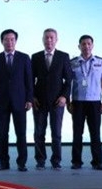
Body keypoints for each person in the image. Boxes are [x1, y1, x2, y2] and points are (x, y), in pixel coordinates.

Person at [0, 29, 33, 172]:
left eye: (12, 39)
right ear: (2, 41)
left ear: (16, 41)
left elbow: (29, 81)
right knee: (2, 134)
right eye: (6, 39)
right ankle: (3, 162)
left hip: (20, 101)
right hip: (1, 102)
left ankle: (22, 163)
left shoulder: (24, 58)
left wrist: (29, 99)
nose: (9, 42)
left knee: (21, 134)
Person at [31, 28, 72, 171]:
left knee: (56, 133)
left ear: (56, 40)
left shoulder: (63, 56)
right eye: (46, 37)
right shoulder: (35, 57)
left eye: (51, 38)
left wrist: (64, 97)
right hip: (39, 101)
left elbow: (69, 80)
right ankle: (40, 160)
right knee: (39, 133)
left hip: (57, 101)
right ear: (43, 40)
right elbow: (30, 80)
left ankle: (56, 161)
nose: (49, 40)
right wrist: (32, 97)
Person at [68, 35, 102, 170]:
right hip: (78, 102)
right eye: (83, 44)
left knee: (95, 133)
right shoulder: (73, 63)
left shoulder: (100, 62)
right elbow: (68, 83)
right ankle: (76, 161)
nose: (86, 46)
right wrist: (69, 101)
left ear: (92, 45)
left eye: (88, 44)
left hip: (94, 102)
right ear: (79, 46)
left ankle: (97, 162)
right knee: (77, 133)